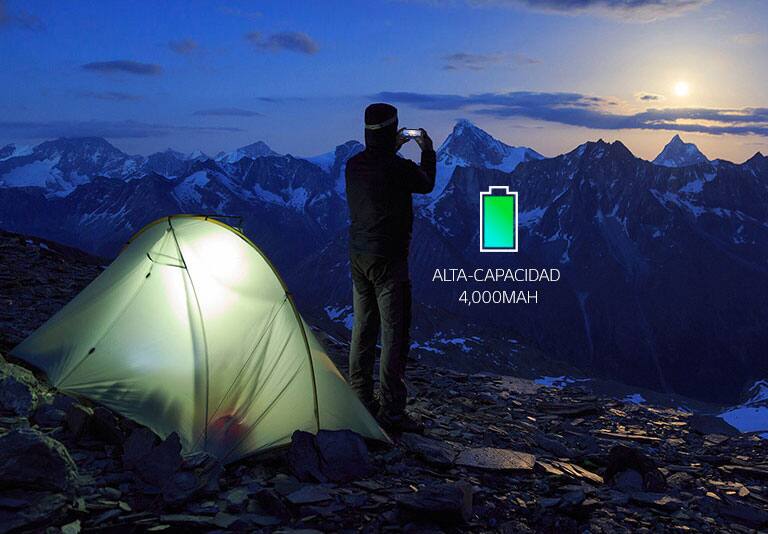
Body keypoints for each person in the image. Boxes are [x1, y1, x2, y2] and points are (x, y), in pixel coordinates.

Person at [345, 102, 436, 433]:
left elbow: (376, 167)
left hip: (358, 258)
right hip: (389, 261)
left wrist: (388, 146)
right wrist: (427, 150)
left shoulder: (352, 166)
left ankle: (359, 401)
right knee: (394, 335)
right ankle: (393, 412)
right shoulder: (397, 168)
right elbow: (426, 183)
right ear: (393, 129)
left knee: (363, 330)